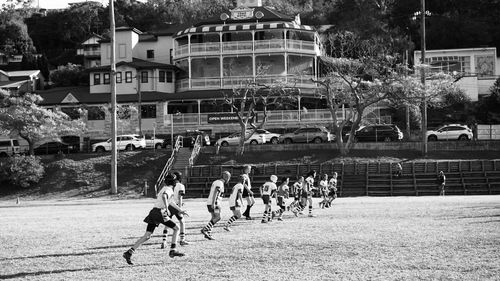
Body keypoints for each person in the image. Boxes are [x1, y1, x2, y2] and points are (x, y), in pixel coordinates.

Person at [123, 174, 187, 265]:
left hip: (153, 212)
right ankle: (173, 250)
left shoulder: (164, 188)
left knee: (147, 235)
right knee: (176, 228)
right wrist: (167, 208)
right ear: (174, 182)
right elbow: (165, 197)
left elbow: (171, 202)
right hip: (160, 212)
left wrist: (180, 210)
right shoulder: (168, 190)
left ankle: (129, 252)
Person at [161, 171, 189, 249]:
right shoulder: (181, 186)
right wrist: (180, 208)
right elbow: (180, 197)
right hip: (175, 205)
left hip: (169, 205)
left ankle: (164, 240)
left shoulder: (170, 186)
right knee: (182, 222)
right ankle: (182, 239)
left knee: (167, 223)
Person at [201, 171, 231, 240]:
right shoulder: (220, 183)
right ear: (226, 177)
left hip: (210, 202)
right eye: (229, 177)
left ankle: (208, 233)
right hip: (215, 203)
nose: (229, 179)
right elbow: (215, 192)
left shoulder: (216, 182)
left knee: (213, 218)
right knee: (218, 217)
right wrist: (213, 203)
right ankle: (205, 229)